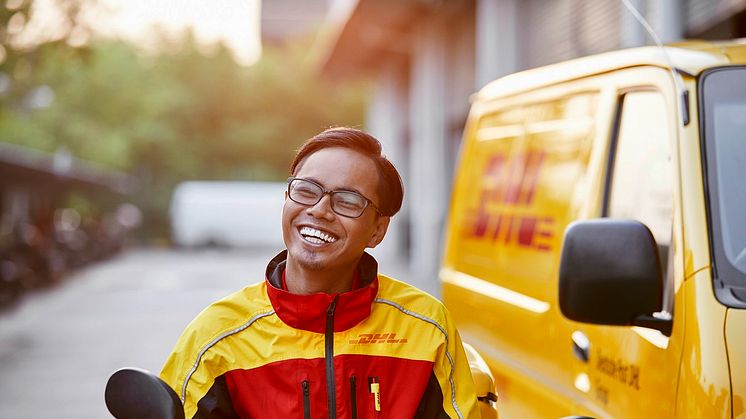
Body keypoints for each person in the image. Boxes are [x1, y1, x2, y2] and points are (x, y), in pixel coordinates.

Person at [160, 127, 480, 418]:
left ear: (377, 230)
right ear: (286, 198)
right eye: (306, 190)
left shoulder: (426, 328)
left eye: (348, 200)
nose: (319, 210)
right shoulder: (217, 335)